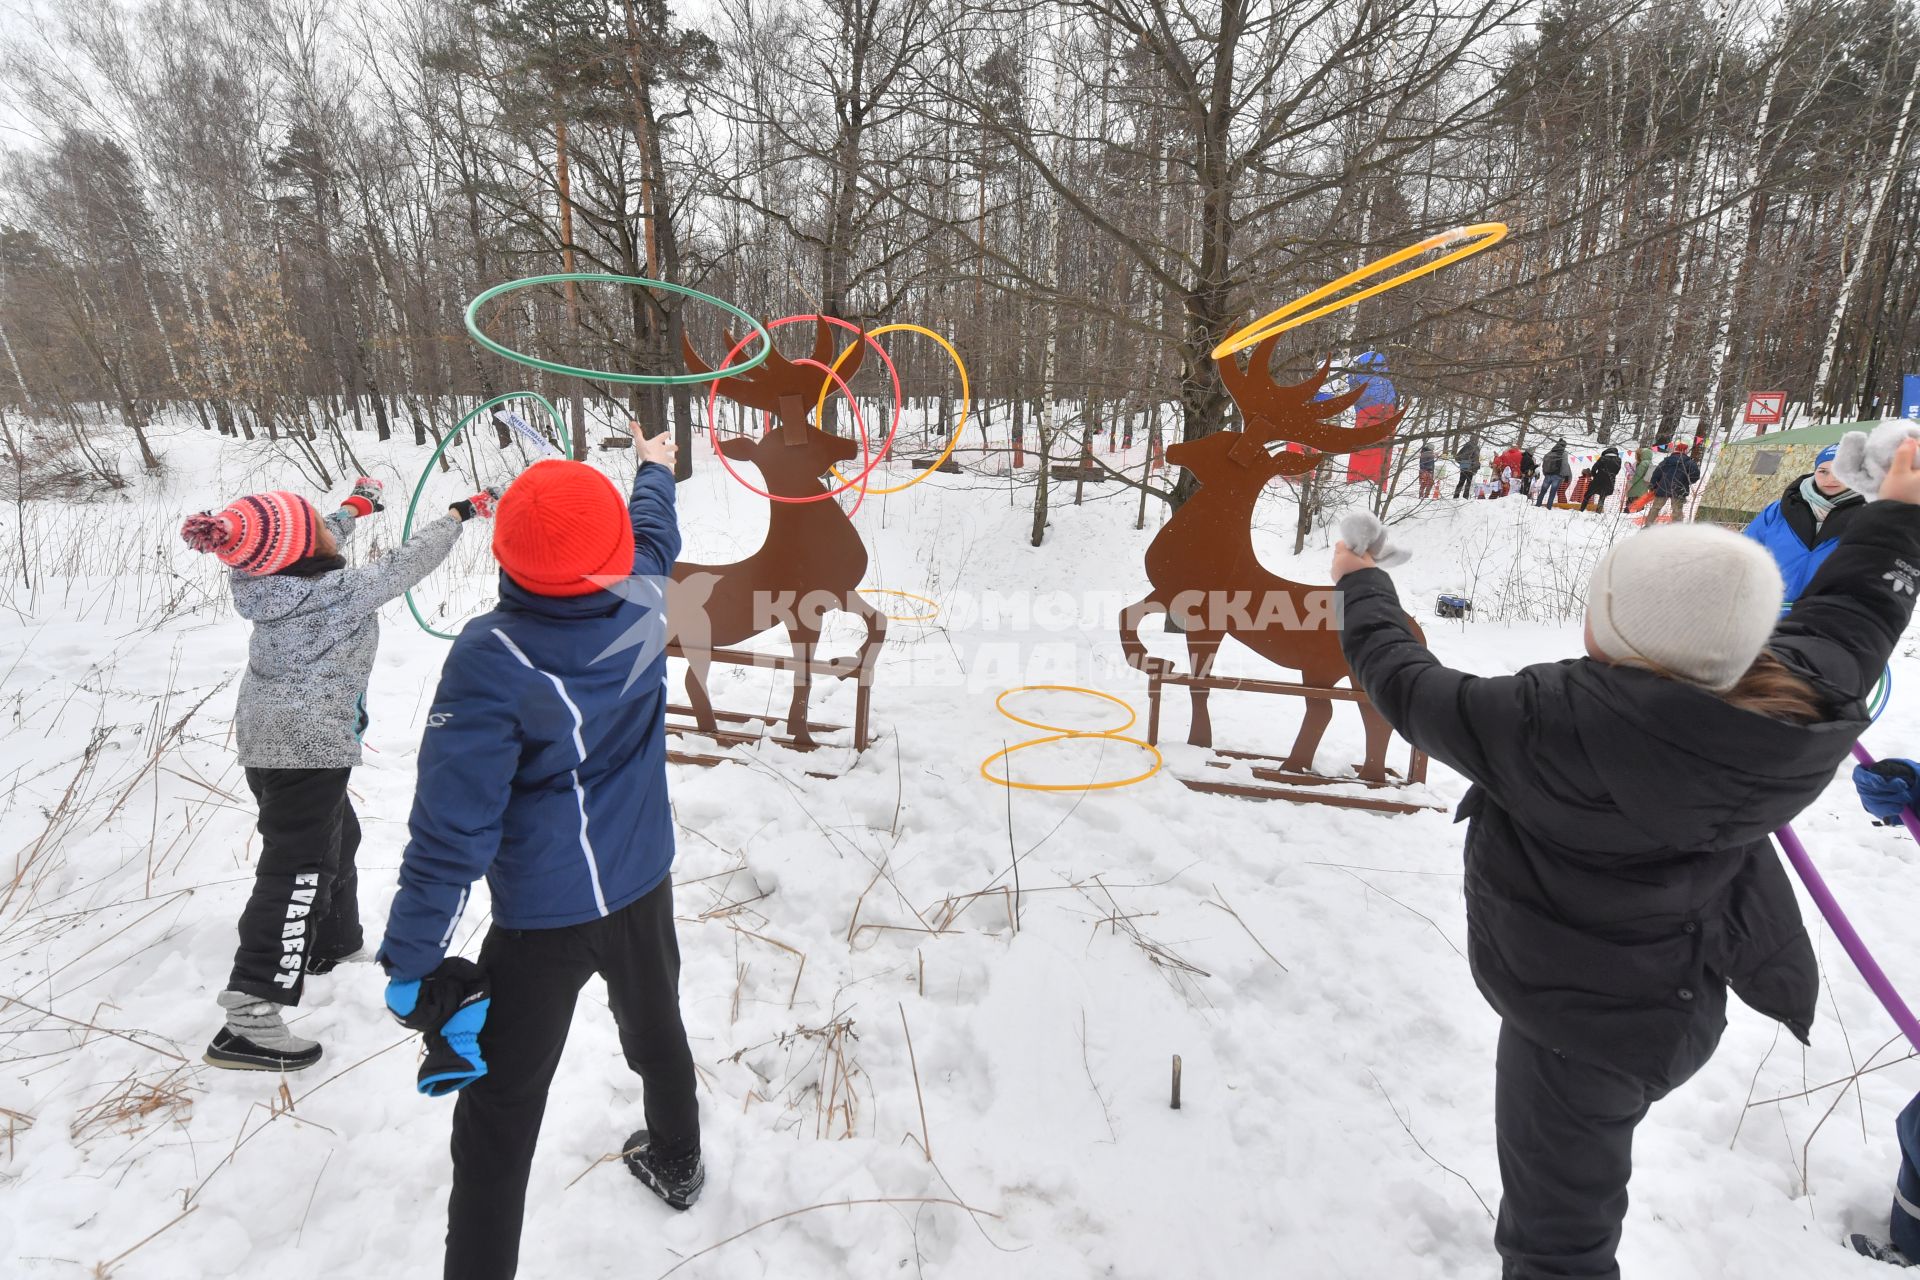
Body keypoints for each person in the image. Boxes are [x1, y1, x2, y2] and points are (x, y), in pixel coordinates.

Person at [1330, 439, 1920, 1280]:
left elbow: (1400, 678)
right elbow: (1858, 611)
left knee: (1557, 1242)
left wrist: (1359, 580)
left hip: (1576, 1033)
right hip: (1677, 1003)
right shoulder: (1796, 694)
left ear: (1614, 629)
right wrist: (1892, 512)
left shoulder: (1544, 726)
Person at [378, 427, 699, 1280]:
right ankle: (677, 1155)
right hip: (638, 886)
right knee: (657, 1029)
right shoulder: (643, 593)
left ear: (506, 560)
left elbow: (452, 830)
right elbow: (655, 527)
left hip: (542, 923)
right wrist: (655, 466)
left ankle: (666, 1163)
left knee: (498, 1117)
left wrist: (412, 962)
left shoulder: (490, 657)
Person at [180, 479, 493, 1071]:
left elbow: (306, 534)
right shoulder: (339, 591)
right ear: (308, 548)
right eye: (323, 525)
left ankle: (332, 940)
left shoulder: (259, 577)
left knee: (337, 837)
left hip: (266, 739)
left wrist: (354, 508)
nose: (330, 528)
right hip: (309, 747)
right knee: (294, 870)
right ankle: (250, 1014)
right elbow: (405, 563)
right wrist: (459, 515)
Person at [1743, 443, 1865, 601]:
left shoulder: (1872, 517)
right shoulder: (1777, 511)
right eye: (1823, 471)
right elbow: (1744, 554)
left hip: (1829, 618)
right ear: (1814, 472)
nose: (1831, 479)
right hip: (1767, 612)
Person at [1642, 442, 1701, 523]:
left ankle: (1648, 525)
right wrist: (1687, 481)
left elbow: (1656, 474)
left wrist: (1653, 486)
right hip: (1679, 489)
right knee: (1677, 510)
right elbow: (1695, 476)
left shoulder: (1665, 461)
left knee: (1655, 508)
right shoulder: (1689, 463)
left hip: (1663, 488)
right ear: (1686, 451)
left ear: (1676, 450)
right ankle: (1675, 528)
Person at [1581, 446, 1623, 513]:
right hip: (1610, 481)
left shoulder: (1603, 458)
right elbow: (1616, 471)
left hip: (1598, 479)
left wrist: (1595, 476)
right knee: (1602, 497)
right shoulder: (1619, 460)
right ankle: (1598, 513)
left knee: (1588, 495)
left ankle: (1582, 509)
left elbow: (1594, 469)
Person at [1534, 438, 1571, 507]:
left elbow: (1544, 464)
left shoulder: (1550, 453)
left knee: (1543, 491)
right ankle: (1548, 507)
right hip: (1557, 476)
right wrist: (1566, 476)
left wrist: (1545, 473)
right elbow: (1565, 465)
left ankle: (1538, 505)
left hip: (1548, 475)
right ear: (1564, 446)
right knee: (1552, 492)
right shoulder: (1564, 453)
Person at [1454, 435, 1481, 499]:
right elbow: (1476, 460)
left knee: (1461, 482)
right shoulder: (1476, 448)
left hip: (1464, 467)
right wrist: (1476, 467)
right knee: (1468, 483)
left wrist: (1462, 463)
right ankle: (1465, 497)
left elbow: (1457, 457)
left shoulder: (1465, 446)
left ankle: (1456, 496)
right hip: (1471, 468)